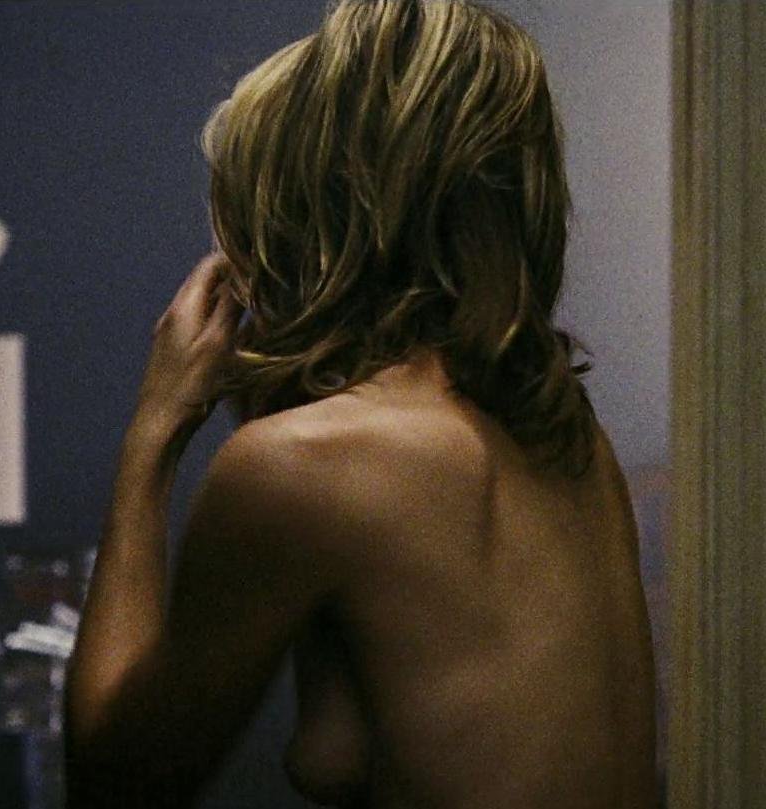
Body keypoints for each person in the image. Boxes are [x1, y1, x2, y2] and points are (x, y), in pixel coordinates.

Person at [62, 2, 658, 806]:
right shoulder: (568, 441)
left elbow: (112, 782)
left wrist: (155, 431)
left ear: (303, 226)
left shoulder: (304, 468)